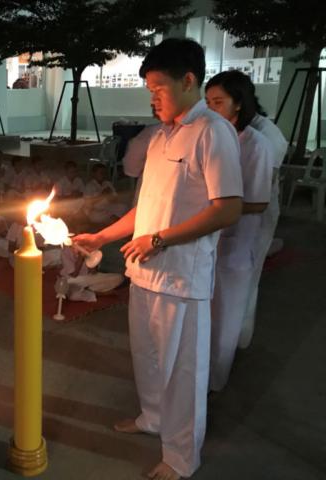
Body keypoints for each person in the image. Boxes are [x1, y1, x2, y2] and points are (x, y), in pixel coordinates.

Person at [74, 38, 243, 480]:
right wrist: (102, 236)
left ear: (188, 81)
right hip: (145, 272)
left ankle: (182, 456)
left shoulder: (213, 133)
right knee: (147, 357)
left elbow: (227, 209)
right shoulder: (161, 135)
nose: (152, 98)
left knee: (184, 372)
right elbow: (145, 207)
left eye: (158, 88)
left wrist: (160, 240)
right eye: (149, 90)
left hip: (182, 278)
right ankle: (152, 417)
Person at [205, 70, 273, 392]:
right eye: (207, 102)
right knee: (206, 316)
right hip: (208, 239)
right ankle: (199, 378)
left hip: (235, 244)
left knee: (225, 320)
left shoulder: (256, 145)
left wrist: (217, 209)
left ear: (238, 104)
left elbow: (258, 202)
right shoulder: (214, 139)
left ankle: (215, 381)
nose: (210, 109)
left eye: (218, 102)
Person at [241, 92, 289, 349]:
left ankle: (239, 338)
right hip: (241, 211)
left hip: (257, 213)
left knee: (248, 278)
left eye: (218, 102)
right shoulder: (244, 130)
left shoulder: (266, 137)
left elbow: (263, 188)